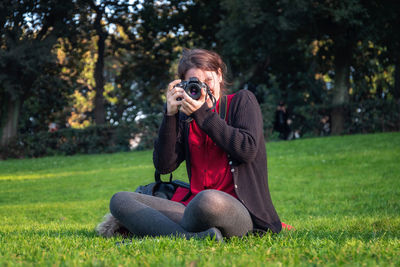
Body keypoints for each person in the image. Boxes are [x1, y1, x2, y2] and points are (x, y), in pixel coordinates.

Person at [109, 48, 282, 241]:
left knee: (208, 199)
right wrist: (170, 115)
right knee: (120, 201)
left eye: (208, 80)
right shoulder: (184, 118)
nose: (204, 88)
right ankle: (196, 237)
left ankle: (161, 232)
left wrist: (204, 114)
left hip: (235, 210)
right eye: (196, 84)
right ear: (182, 85)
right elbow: (164, 166)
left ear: (219, 75)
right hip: (191, 208)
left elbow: (246, 150)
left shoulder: (241, 101)